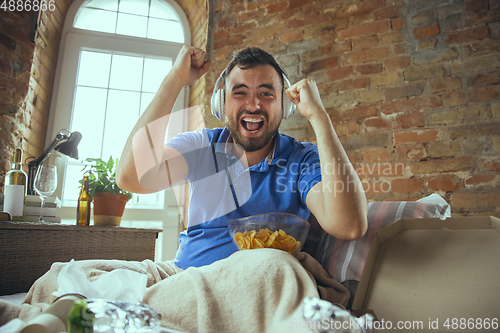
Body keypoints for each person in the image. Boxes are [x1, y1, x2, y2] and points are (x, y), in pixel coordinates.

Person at [116, 45, 368, 269]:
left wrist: (319, 117)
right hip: (185, 276)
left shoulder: (301, 159)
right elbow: (130, 178)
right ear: (221, 104)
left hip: (258, 285)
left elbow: (348, 226)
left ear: (286, 106)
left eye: (267, 94)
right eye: (240, 93)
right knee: (91, 274)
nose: (253, 105)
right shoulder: (200, 145)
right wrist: (174, 80)